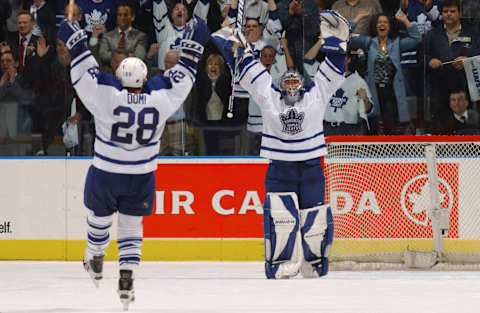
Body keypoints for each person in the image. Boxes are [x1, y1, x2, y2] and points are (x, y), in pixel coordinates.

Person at [57, 16, 210, 309]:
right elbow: (186, 73)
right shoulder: (161, 100)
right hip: (141, 175)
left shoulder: (105, 95)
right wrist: (195, 43)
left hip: (106, 170)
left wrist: (74, 37)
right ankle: (127, 275)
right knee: (131, 226)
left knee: (99, 217)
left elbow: (83, 71)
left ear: (119, 73)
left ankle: (95, 254)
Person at [233, 10, 349, 279]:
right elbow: (250, 73)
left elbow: (333, 69)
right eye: (288, 82)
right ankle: (280, 263)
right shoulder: (269, 98)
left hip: (311, 168)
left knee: (315, 221)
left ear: (303, 85)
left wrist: (338, 46)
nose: (293, 86)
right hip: (280, 167)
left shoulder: (315, 96)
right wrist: (239, 51)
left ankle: (314, 263)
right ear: (280, 85)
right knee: (280, 220)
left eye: (297, 82)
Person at [350, 12, 421, 135]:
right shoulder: (369, 42)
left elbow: (416, 38)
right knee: (372, 123)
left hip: (391, 91)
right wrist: (359, 17)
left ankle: (390, 152)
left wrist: (405, 20)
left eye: (385, 22)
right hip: (373, 90)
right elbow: (347, 37)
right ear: (375, 26)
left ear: (389, 26)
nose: (382, 24)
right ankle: (371, 152)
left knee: (390, 125)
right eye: (379, 22)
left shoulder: (397, 44)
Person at [424, 0, 480, 121]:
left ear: (459, 14)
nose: (448, 14)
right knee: (440, 124)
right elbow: (422, 56)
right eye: (445, 11)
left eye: (452, 11)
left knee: (466, 125)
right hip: (439, 88)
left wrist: (468, 60)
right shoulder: (433, 34)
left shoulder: (473, 33)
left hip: (466, 88)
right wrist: (430, 60)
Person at [304, 44, 373, 136]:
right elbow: (307, 60)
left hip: (348, 130)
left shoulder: (358, 81)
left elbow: (367, 110)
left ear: (348, 59)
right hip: (326, 128)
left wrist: (365, 99)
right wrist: (321, 40)